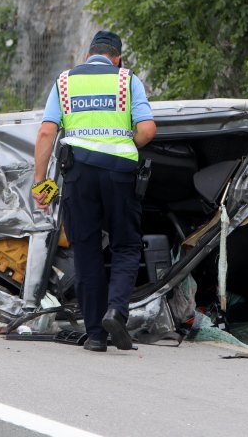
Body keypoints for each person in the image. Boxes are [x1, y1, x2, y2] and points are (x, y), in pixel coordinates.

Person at [33, 30, 156, 352]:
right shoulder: (127, 80)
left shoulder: (64, 82)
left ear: (88, 56)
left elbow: (47, 131)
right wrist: (124, 143)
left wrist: (39, 182)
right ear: (117, 58)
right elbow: (147, 130)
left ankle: (96, 336)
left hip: (78, 175)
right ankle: (116, 310)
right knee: (126, 245)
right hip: (119, 173)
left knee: (85, 250)